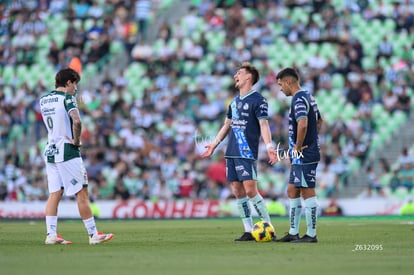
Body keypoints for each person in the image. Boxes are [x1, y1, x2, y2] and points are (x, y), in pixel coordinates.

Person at [201, 62, 277, 241]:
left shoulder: (258, 100)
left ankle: (268, 227)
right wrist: (214, 144)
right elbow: (227, 125)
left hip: (246, 151)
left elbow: (264, 124)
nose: (236, 75)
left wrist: (269, 146)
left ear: (248, 77)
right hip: (231, 152)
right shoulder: (234, 102)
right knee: (237, 190)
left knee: (251, 190)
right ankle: (248, 230)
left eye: (239, 73)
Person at [40, 68, 114, 245]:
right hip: (67, 149)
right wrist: (77, 140)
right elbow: (77, 120)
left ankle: (51, 234)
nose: (76, 89)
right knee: (82, 192)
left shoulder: (44, 100)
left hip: (50, 150)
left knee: (54, 193)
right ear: (68, 83)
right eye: (75, 84)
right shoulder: (67, 98)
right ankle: (93, 235)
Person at [275, 67, 323, 243]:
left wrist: (299, 145)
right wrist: (313, 137)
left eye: (281, 85)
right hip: (304, 152)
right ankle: (293, 232)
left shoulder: (298, 99)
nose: (280, 89)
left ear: (289, 82)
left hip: (304, 153)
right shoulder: (308, 95)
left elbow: (302, 124)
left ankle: (311, 234)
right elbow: (319, 120)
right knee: (292, 189)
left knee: (306, 190)